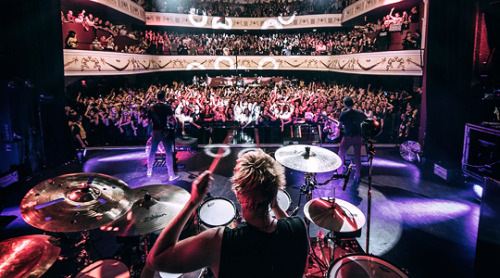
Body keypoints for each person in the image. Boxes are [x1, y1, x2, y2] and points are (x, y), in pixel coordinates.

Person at [145, 150, 309, 278]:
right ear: (275, 192)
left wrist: (192, 203)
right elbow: (288, 228)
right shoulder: (298, 229)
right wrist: (275, 205)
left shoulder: (217, 241)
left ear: (238, 193)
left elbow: (155, 259)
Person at [147, 90, 180, 180]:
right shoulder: (167, 107)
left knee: (152, 151)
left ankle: (149, 171)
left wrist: (152, 131)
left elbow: (148, 121)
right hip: (164, 132)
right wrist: (174, 127)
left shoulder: (151, 107)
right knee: (168, 153)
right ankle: (171, 175)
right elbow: (172, 120)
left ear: (157, 97)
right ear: (164, 97)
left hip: (155, 132)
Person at [337, 96, 367, 184]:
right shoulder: (360, 112)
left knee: (341, 153)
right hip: (358, 137)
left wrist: (341, 125)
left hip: (347, 137)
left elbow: (339, 126)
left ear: (345, 104)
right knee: (357, 156)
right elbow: (366, 121)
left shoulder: (343, 113)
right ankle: (357, 175)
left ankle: (339, 172)